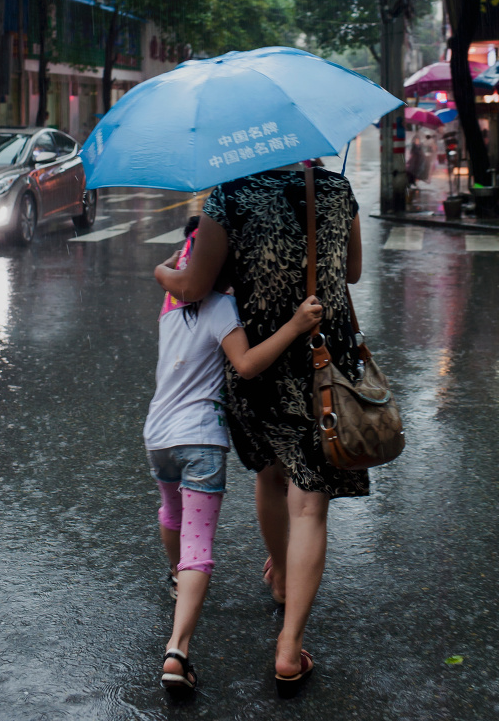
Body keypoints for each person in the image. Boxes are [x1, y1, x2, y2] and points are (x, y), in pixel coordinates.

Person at [155, 159, 364, 697]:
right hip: (322, 362)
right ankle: (290, 649)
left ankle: (282, 582)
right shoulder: (337, 189)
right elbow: (352, 271)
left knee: (271, 474)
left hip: (259, 359)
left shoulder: (228, 197)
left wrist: (162, 274)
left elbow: (195, 286)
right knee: (310, 503)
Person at [146, 217, 323, 699]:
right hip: (201, 440)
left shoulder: (169, 309)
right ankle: (178, 650)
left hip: (157, 437)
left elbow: (171, 276)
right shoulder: (223, 307)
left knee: (171, 514)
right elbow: (245, 365)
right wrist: (295, 324)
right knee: (198, 550)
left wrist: (167, 268)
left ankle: (176, 579)